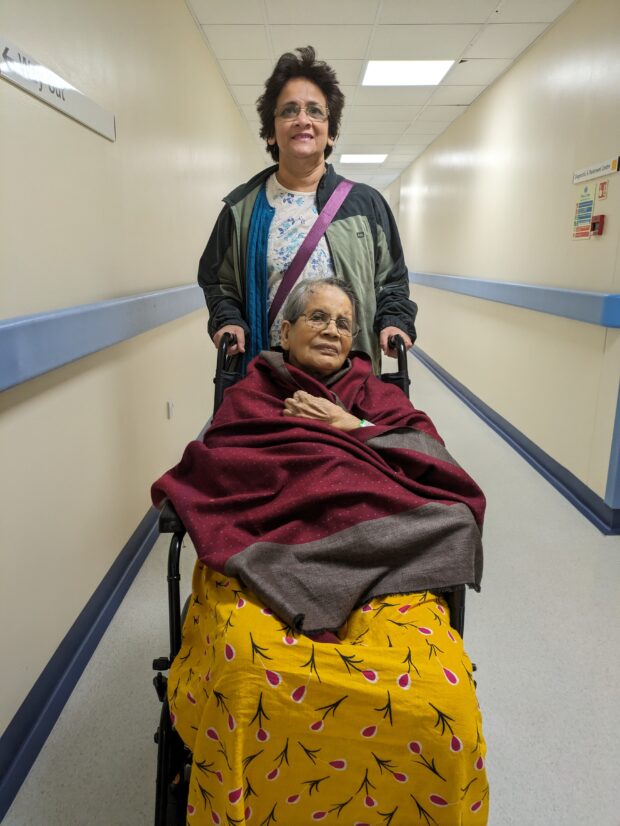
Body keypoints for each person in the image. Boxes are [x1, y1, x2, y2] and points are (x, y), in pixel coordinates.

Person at [152, 278, 489, 826]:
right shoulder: (250, 397)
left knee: (440, 699)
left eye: (343, 323)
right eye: (317, 317)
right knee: (244, 678)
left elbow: (434, 457)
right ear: (284, 332)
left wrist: (354, 426)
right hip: (266, 555)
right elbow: (217, 467)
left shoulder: (379, 396)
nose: (332, 330)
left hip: (381, 563)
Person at [198, 45, 417, 373]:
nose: (303, 120)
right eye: (289, 110)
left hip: (347, 376)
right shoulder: (241, 209)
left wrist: (395, 320)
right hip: (268, 373)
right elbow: (220, 283)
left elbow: (392, 280)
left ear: (331, 134)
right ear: (271, 133)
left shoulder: (366, 204)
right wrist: (227, 319)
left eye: (315, 111)